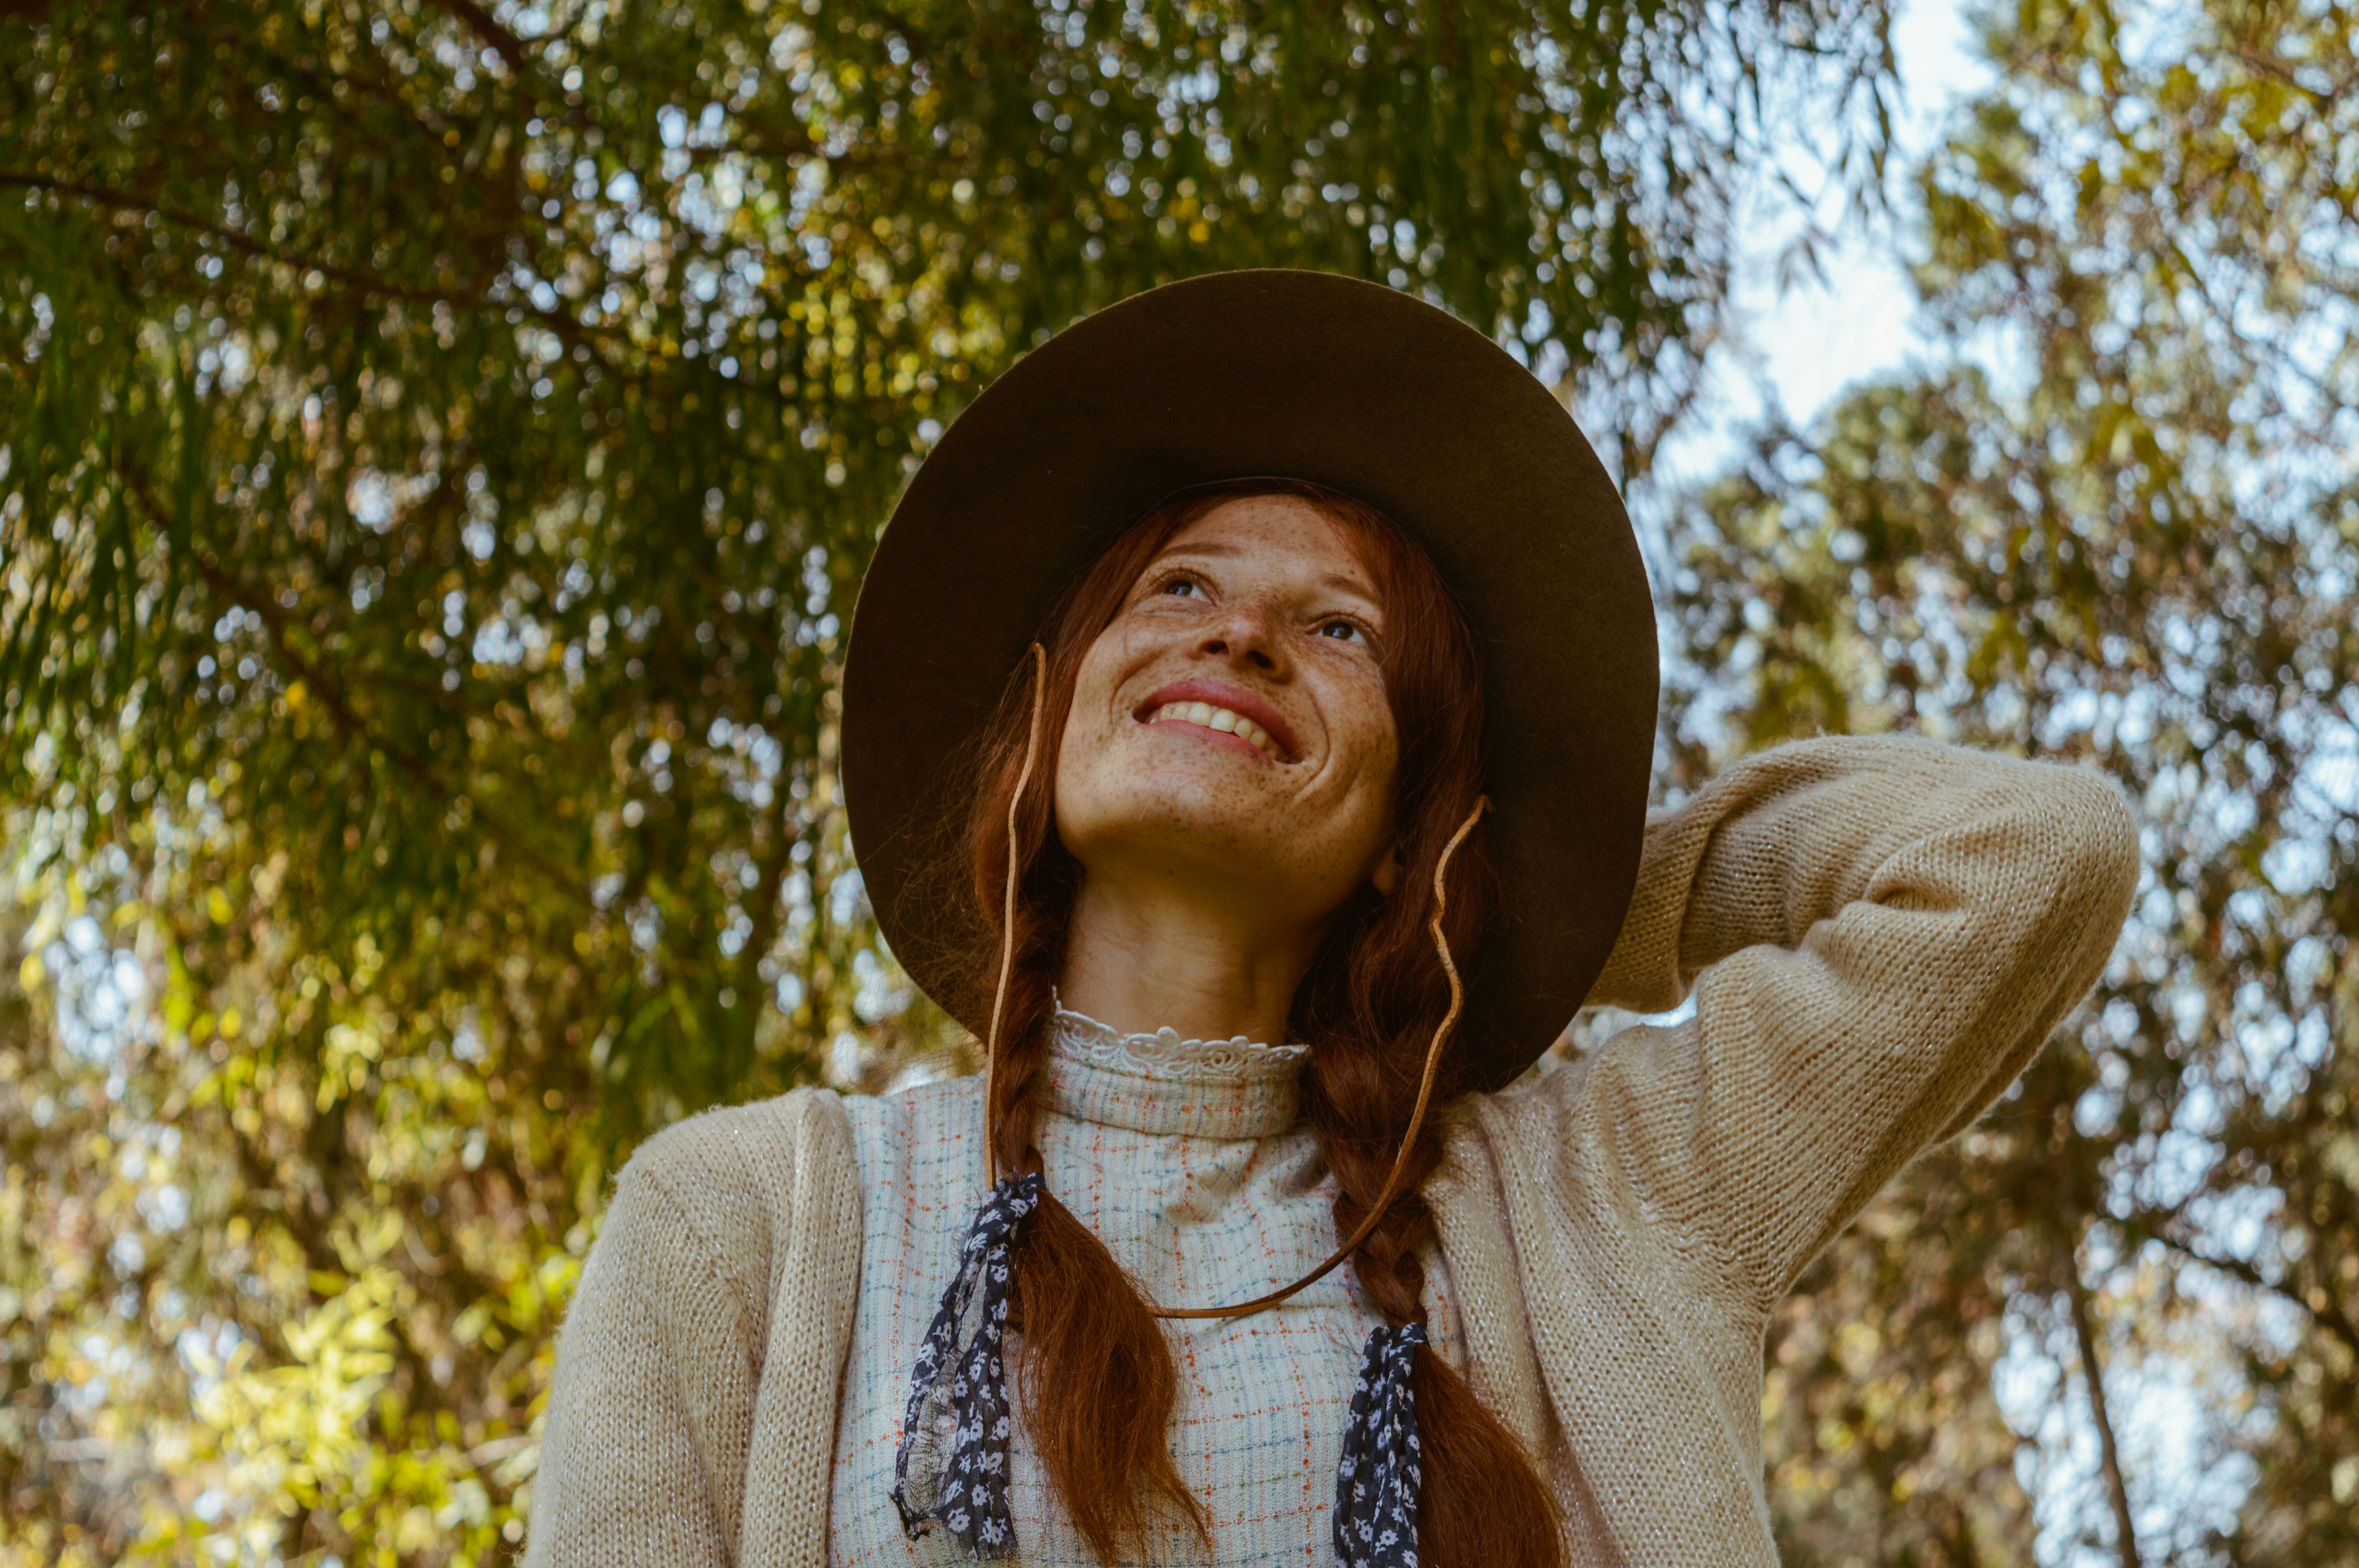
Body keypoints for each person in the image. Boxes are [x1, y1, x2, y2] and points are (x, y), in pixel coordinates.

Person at [522, 271, 2139, 1568]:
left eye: (1338, 628)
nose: (1239, 636)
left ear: (1405, 820)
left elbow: (2026, 857)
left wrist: (1523, 892)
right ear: (1051, 721)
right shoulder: (743, 1224)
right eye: (1177, 588)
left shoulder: (1590, 1202)